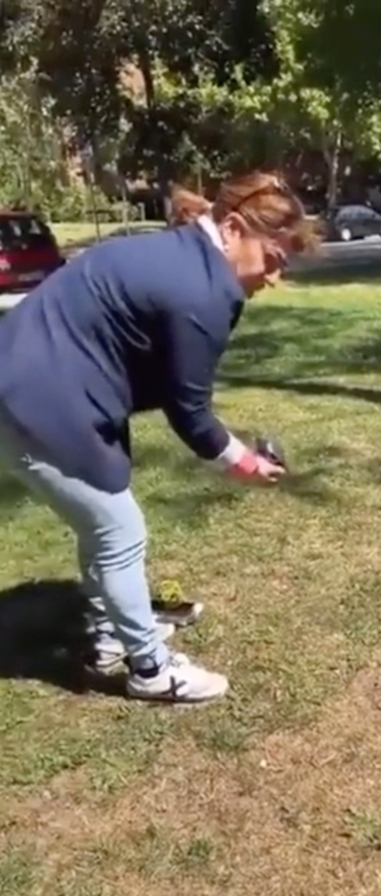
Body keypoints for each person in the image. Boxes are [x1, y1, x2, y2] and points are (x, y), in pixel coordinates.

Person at [0, 171, 312, 703]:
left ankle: (108, 636)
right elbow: (190, 412)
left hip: (38, 385)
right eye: (273, 259)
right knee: (121, 532)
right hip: (34, 399)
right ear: (234, 229)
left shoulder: (183, 254)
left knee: (103, 527)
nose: (274, 278)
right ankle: (151, 669)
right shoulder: (204, 291)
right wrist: (245, 464)